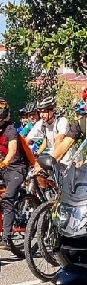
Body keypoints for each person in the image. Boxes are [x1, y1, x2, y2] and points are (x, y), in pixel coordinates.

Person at [0, 98, 29, 250]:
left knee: (8, 198)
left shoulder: (11, 130)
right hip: (3, 167)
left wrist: (6, 161)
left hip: (17, 168)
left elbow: (12, 150)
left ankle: (6, 238)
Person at [26, 96, 71, 167]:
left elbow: (59, 140)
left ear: (52, 111)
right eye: (40, 112)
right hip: (52, 157)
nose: (41, 115)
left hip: (66, 160)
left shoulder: (61, 121)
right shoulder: (41, 123)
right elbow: (27, 140)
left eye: (44, 111)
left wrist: (49, 162)